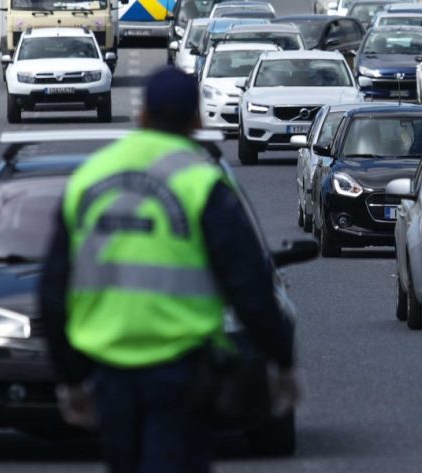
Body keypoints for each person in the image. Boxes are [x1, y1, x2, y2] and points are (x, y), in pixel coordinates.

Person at [39, 67, 298, 473]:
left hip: (108, 370)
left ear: (141, 116)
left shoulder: (89, 178)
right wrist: (280, 360)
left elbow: (53, 291)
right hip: (183, 370)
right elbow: (249, 284)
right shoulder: (201, 182)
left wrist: (69, 376)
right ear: (196, 120)